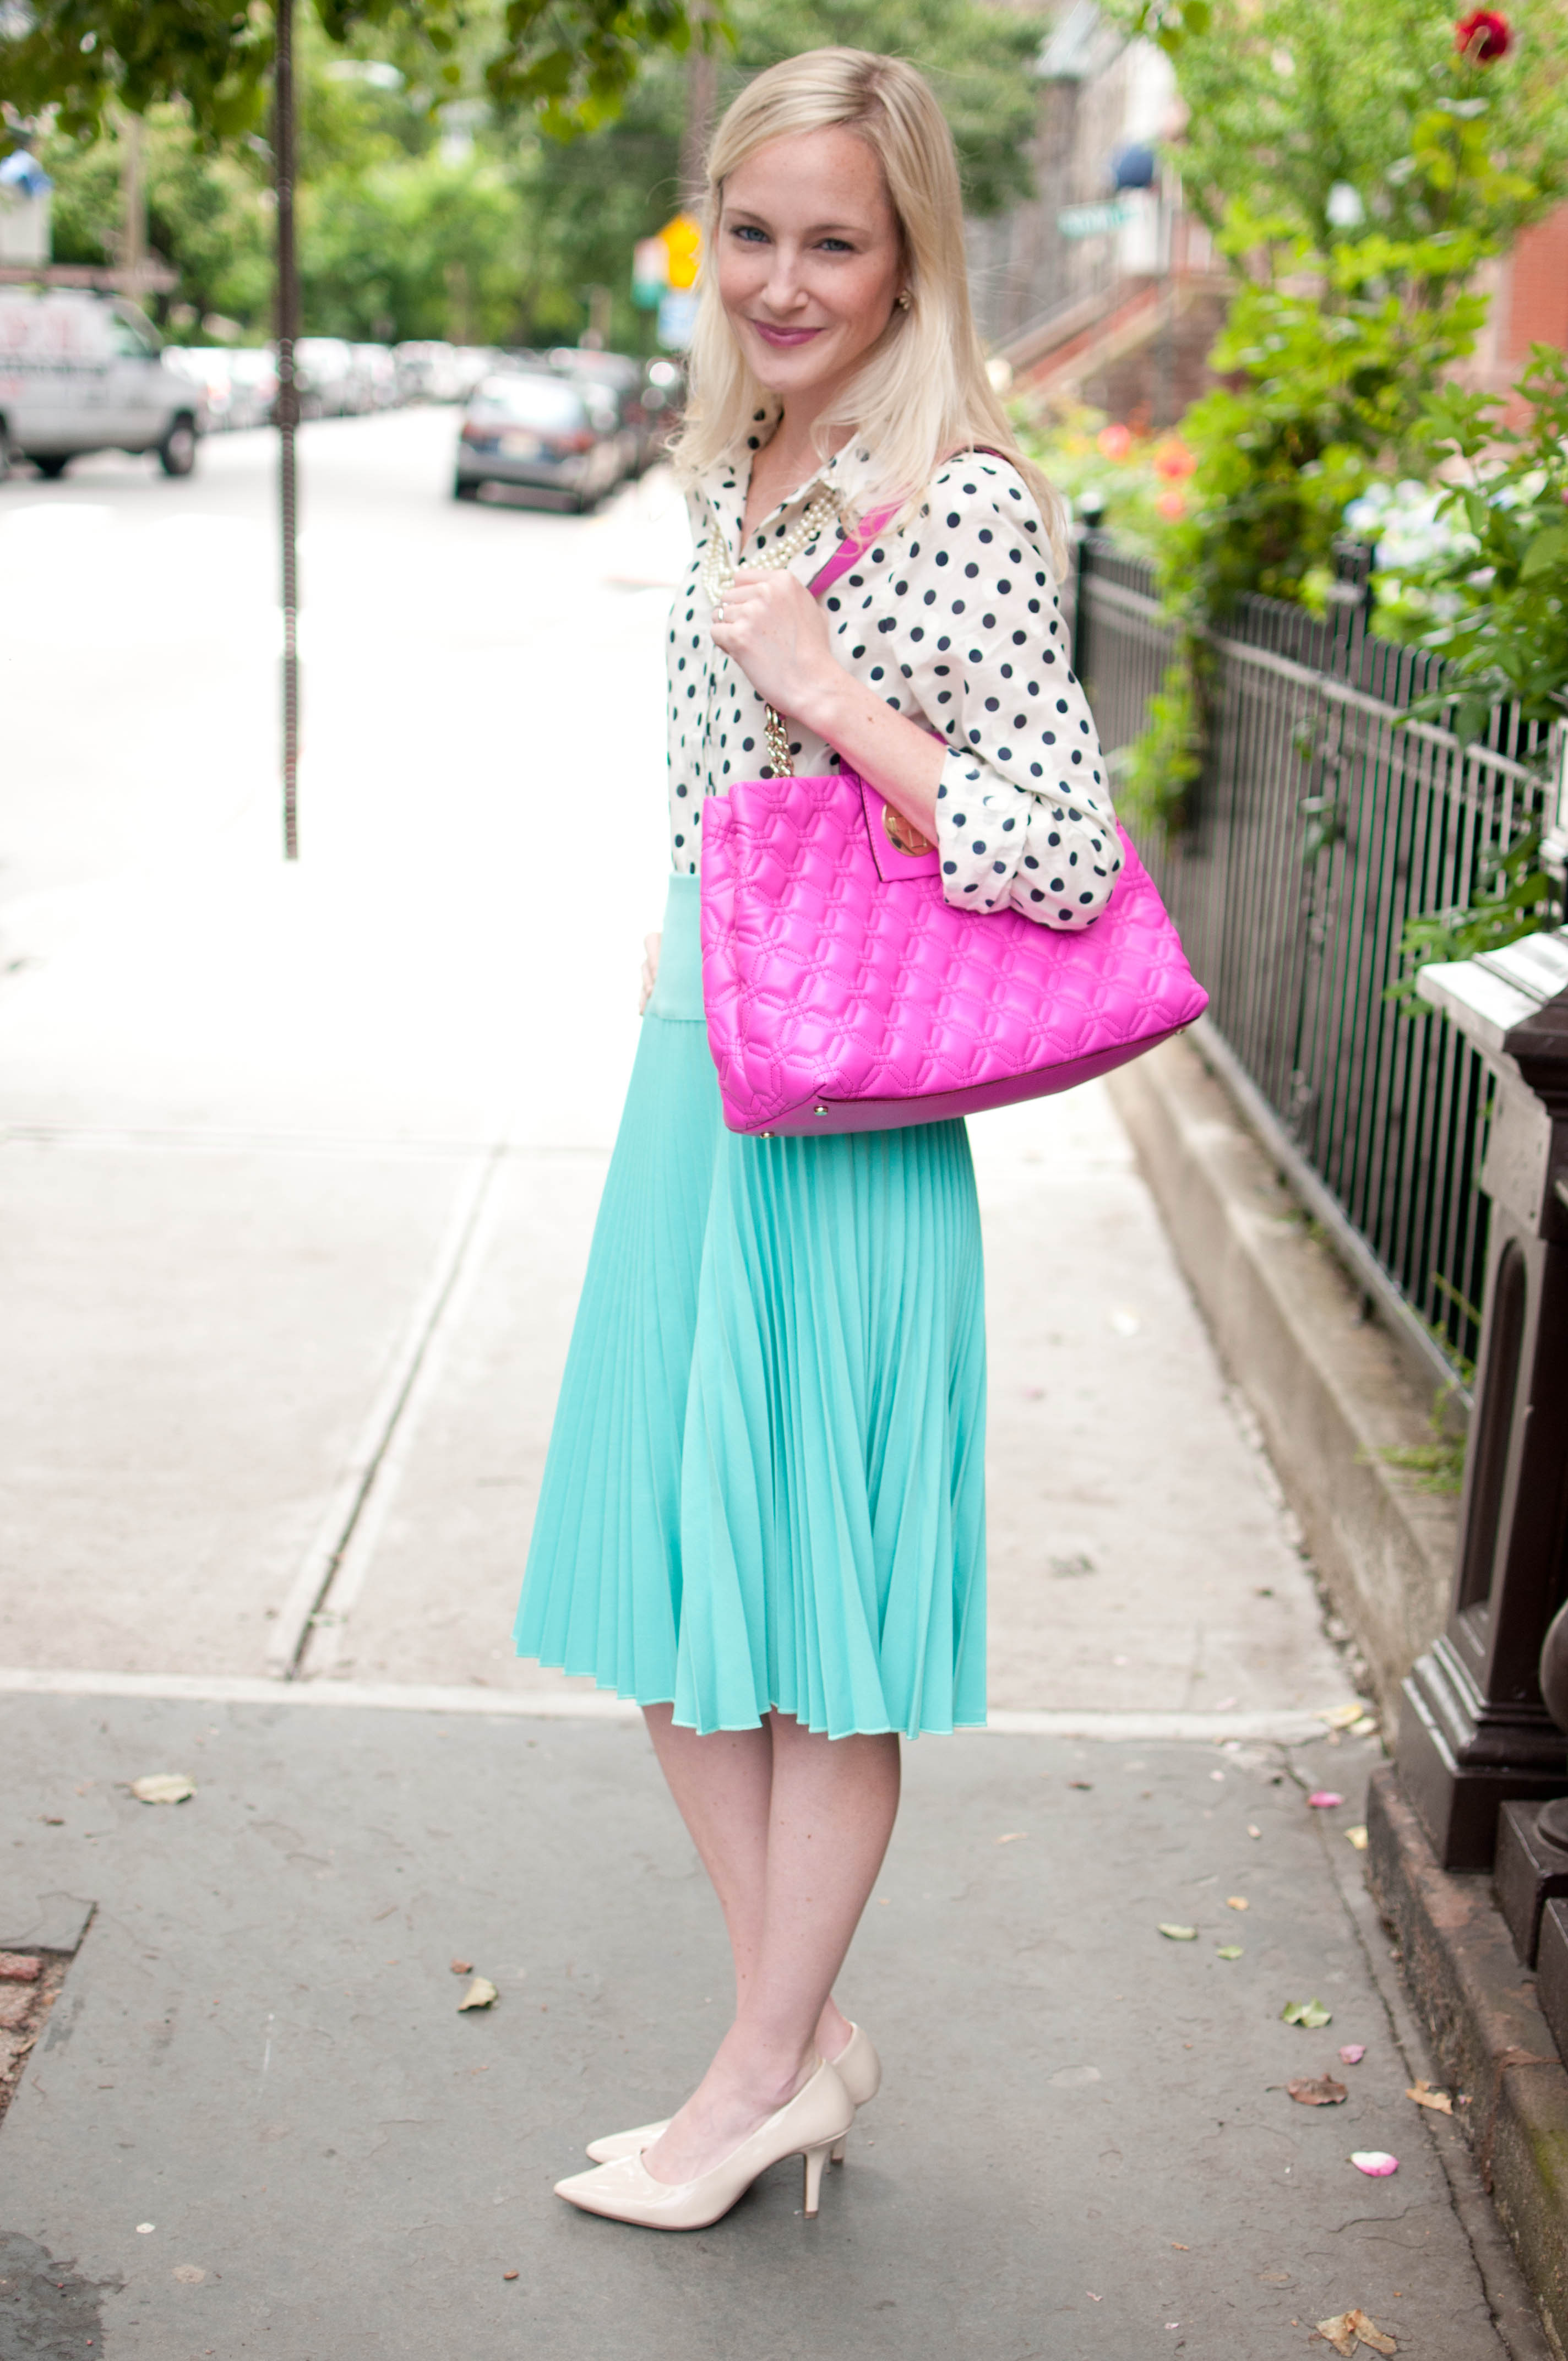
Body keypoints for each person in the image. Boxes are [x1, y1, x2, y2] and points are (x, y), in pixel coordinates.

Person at [515, 45, 1119, 2233]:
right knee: (681, 1615)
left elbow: (1057, 848)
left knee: (813, 1625)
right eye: (751, 230)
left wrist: (837, 699)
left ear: (905, 260)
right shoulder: (743, 466)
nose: (782, 277)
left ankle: (756, 2072)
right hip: (700, 1074)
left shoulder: (953, 496)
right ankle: (796, 2030)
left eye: (832, 241)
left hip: (842, 1120)